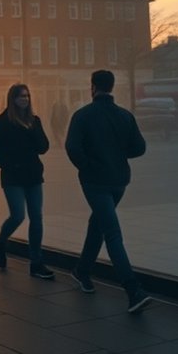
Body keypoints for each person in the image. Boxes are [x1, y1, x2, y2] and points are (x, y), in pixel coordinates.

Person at [65, 70, 151, 313]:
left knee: (109, 231)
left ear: (93, 87)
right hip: (119, 181)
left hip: (95, 182)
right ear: (112, 87)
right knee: (103, 225)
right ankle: (83, 272)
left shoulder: (82, 116)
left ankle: (133, 290)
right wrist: (117, 155)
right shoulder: (124, 115)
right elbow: (139, 148)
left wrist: (88, 165)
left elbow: (72, 147)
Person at [0, 84, 53, 279]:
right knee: (17, 215)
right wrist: (9, 165)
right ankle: (1, 241)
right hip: (13, 177)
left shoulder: (34, 121)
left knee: (37, 217)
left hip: (33, 175)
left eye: (27, 96)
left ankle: (36, 262)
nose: (24, 99)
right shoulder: (2, 122)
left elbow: (44, 147)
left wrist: (34, 130)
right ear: (12, 99)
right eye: (20, 96)